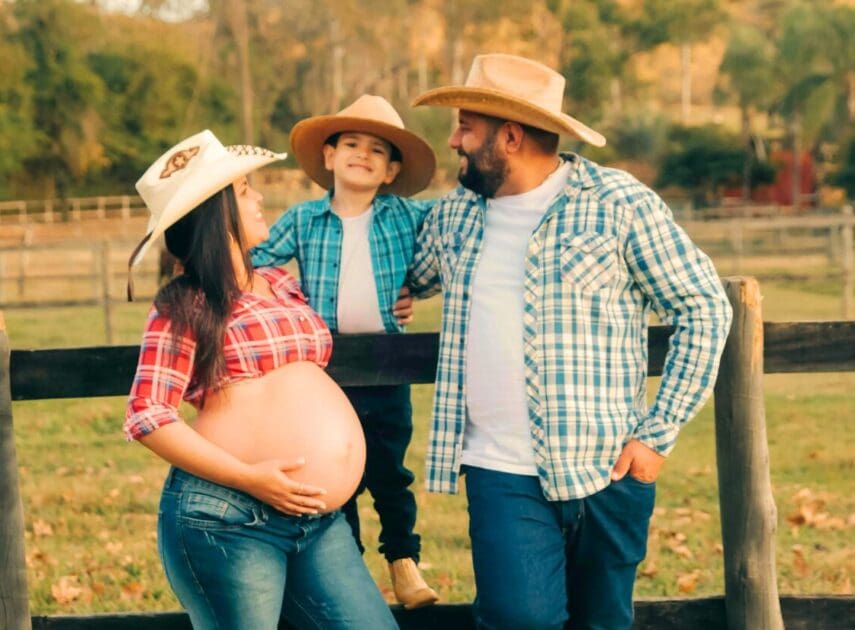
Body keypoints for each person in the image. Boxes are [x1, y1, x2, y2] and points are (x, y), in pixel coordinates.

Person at [405, 54, 734, 629]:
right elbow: (398, 266)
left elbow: (704, 307)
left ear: (508, 137)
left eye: (464, 126)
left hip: (608, 468)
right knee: (517, 619)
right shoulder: (454, 215)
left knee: (602, 621)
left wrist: (656, 437)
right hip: (498, 470)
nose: (454, 140)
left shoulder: (618, 203)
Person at [124, 129, 398, 630]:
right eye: (245, 190)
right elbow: (148, 414)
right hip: (229, 518)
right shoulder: (185, 305)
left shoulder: (280, 283)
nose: (259, 196)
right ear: (216, 212)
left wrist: (395, 300)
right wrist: (250, 478)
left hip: (315, 519)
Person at [251, 94, 440, 609]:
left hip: (388, 368)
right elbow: (254, 262)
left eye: (378, 150)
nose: (363, 154)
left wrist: (416, 291)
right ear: (329, 157)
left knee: (390, 471)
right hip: (327, 375)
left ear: (390, 170)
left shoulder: (406, 217)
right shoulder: (304, 219)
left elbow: (452, 240)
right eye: (351, 143)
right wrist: (286, 303)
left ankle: (403, 561)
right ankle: (351, 573)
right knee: (339, 473)